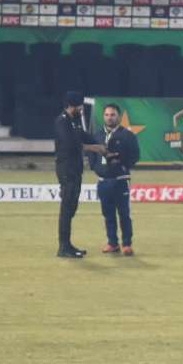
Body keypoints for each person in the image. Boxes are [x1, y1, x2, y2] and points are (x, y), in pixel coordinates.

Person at [53, 90, 107, 258]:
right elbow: (71, 144)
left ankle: (67, 245)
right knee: (67, 207)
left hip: (75, 169)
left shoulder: (74, 121)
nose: (81, 108)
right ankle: (63, 247)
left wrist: (102, 142)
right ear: (71, 105)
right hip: (66, 169)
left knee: (72, 207)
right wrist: (95, 148)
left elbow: (83, 136)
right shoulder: (62, 122)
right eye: (79, 105)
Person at [89, 102, 141, 254]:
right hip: (103, 181)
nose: (109, 118)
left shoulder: (127, 135)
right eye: (106, 115)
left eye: (112, 115)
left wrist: (123, 165)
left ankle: (127, 244)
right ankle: (112, 243)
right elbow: (91, 153)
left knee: (124, 213)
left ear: (118, 116)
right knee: (108, 213)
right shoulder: (97, 135)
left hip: (120, 180)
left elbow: (135, 155)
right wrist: (95, 167)